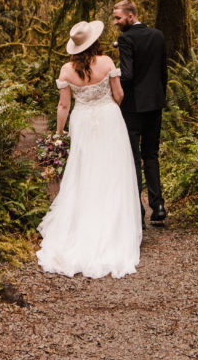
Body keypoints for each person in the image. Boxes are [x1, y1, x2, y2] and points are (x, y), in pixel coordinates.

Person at [37, 19, 143, 279]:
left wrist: (59, 134)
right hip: (109, 118)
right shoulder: (107, 62)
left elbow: (63, 106)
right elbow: (119, 96)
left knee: (84, 172)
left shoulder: (66, 70)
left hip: (82, 121)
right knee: (112, 171)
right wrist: (107, 101)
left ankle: (81, 228)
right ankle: (113, 229)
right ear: (95, 42)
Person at [112, 0, 167, 226]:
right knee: (151, 156)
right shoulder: (158, 35)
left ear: (132, 16)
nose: (115, 23)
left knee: (133, 159)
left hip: (133, 107)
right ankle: (159, 206)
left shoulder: (126, 39)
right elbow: (163, 72)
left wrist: (111, 80)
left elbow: (127, 75)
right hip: (155, 105)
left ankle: (138, 213)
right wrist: (159, 96)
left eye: (118, 18)